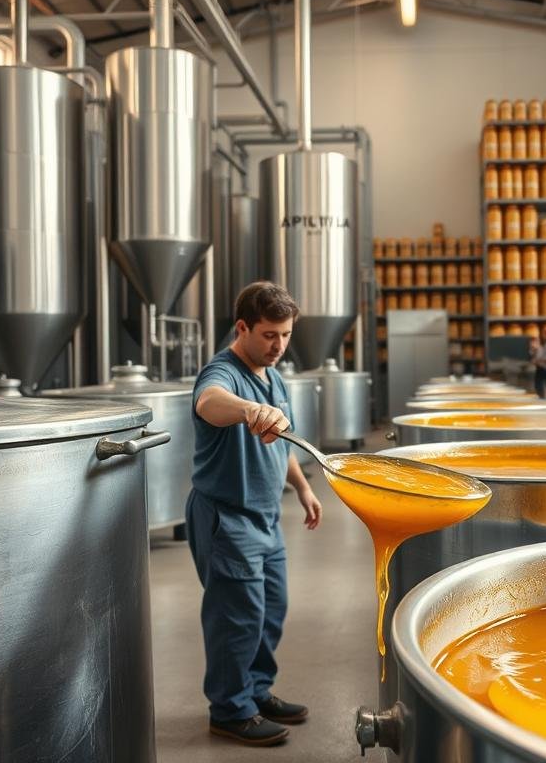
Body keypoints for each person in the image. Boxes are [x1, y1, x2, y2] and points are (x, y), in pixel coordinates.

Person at [186, 281, 323, 747]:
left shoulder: (275, 376)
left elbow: (281, 441)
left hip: (266, 517)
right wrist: (249, 410)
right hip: (228, 518)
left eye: (285, 335)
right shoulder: (221, 372)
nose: (278, 346)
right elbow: (210, 404)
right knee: (237, 618)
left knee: (271, 611)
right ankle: (229, 709)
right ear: (242, 327)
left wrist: (302, 486)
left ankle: (256, 690)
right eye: (268, 335)